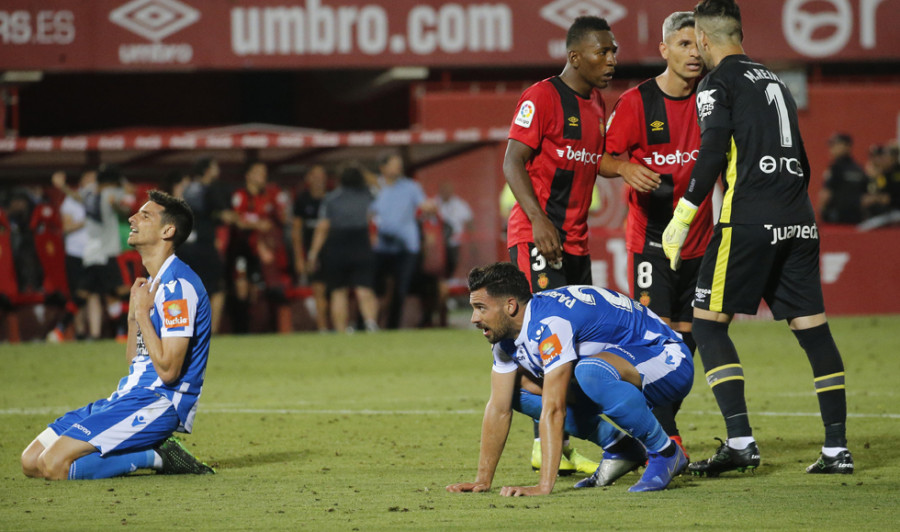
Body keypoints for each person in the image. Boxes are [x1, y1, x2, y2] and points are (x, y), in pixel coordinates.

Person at [661, 0, 853, 476]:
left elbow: (710, 152)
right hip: (798, 218)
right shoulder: (777, 81)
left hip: (748, 220)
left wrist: (684, 213)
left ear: (703, 40)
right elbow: (803, 159)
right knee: (813, 329)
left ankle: (742, 442)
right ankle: (836, 449)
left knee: (707, 323)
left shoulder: (716, 83)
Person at [446, 262, 691, 496]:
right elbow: (498, 407)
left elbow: (554, 409)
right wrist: (482, 480)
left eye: (481, 308)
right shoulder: (507, 338)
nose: (474, 319)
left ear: (510, 306)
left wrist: (543, 486)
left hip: (668, 359)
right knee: (516, 390)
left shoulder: (550, 323)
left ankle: (665, 451)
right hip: (623, 369)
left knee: (590, 371)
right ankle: (620, 448)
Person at [21, 190, 214, 480]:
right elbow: (136, 361)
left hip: (158, 402)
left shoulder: (178, 287)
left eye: (145, 215)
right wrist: (135, 318)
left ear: (168, 230)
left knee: (53, 465)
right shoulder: (152, 283)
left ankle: (157, 457)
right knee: (31, 461)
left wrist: (143, 316)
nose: (131, 218)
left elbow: (170, 370)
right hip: (127, 395)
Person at [503, 14, 620, 476]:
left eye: (613, 52)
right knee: (547, 344)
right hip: (538, 237)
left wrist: (627, 169)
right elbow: (513, 161)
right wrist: (539, 220)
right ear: (575, 56)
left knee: (581, 344)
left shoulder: (598, 105)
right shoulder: (542, 97)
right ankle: (545, 444)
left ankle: (565, 440)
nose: (611, 60)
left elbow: (594, 161)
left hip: (577, 242)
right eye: (603, 52)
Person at [600, 11, 712, 457]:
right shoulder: (636, 102)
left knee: (688, 342)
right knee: (657, 340)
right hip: (650, 241)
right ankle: (668, 441)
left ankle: (659, 429)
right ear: (664, 49)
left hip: (700, 242)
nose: (693, 53)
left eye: (698, 45)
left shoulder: (713, 99)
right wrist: (626, 167)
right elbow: (602, 157)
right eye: (683, 44)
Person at [306, 165, 379, 334]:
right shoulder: (368, 195)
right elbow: (379, 204)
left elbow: (323, 227)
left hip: (337, 245)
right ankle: (370, 324)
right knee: (364, 288)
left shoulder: (331, 198)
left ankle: (341, 330)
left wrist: (313, 253)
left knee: (338, 291)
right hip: (361, 243)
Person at [228, 160, 290, 333]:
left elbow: (283, 220)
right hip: (241, 248)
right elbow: (236, 220)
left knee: (256, 291)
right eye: (258, 172)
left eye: (264, 173)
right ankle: (239, 330)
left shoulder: (270, 196)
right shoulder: (240, 196)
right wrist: (257, 225)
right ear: (248, 175)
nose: (263, 177)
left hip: (260, 251)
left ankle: (251, 329)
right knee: (241, 288)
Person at [370, 152, 427, 329]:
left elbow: (424, 205)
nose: (398, 167)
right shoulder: (374, 188)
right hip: (380, 246)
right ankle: (366, 324)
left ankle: (392, 327)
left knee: (400, 289)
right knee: (373, 288)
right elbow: (369, 213)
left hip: (407, 246)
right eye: (394, 164)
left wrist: (430, 208)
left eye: (399, 163)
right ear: (383, 167)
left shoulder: (411, 187)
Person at [178, 157, 232, 334]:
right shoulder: (210, 189)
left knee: (188, 288)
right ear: (208, 170)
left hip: (185, 245)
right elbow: (225, 215)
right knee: (216, 288)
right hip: (205, 244)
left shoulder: (186, 189)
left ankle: (187, 329)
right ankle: (211, 330)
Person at [292, 164, 330, 332]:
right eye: (314, 175)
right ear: (308, 179)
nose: (318, 179)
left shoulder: (331, 199)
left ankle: (339, 326)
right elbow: (296, 232)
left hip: (334, 252)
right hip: (313, 254)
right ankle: (322, 328)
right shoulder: (302, 200)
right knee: (318, 290)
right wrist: (300, 257)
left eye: (321, 175)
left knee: (335, 292)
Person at [818, 133, 867, 224]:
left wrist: (821, 212)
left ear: (847, 146)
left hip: (836, 217)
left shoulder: (835, 167)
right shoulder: (858, 168)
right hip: (856, 218)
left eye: (835, 145)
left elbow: (826, 193)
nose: (831, 149)